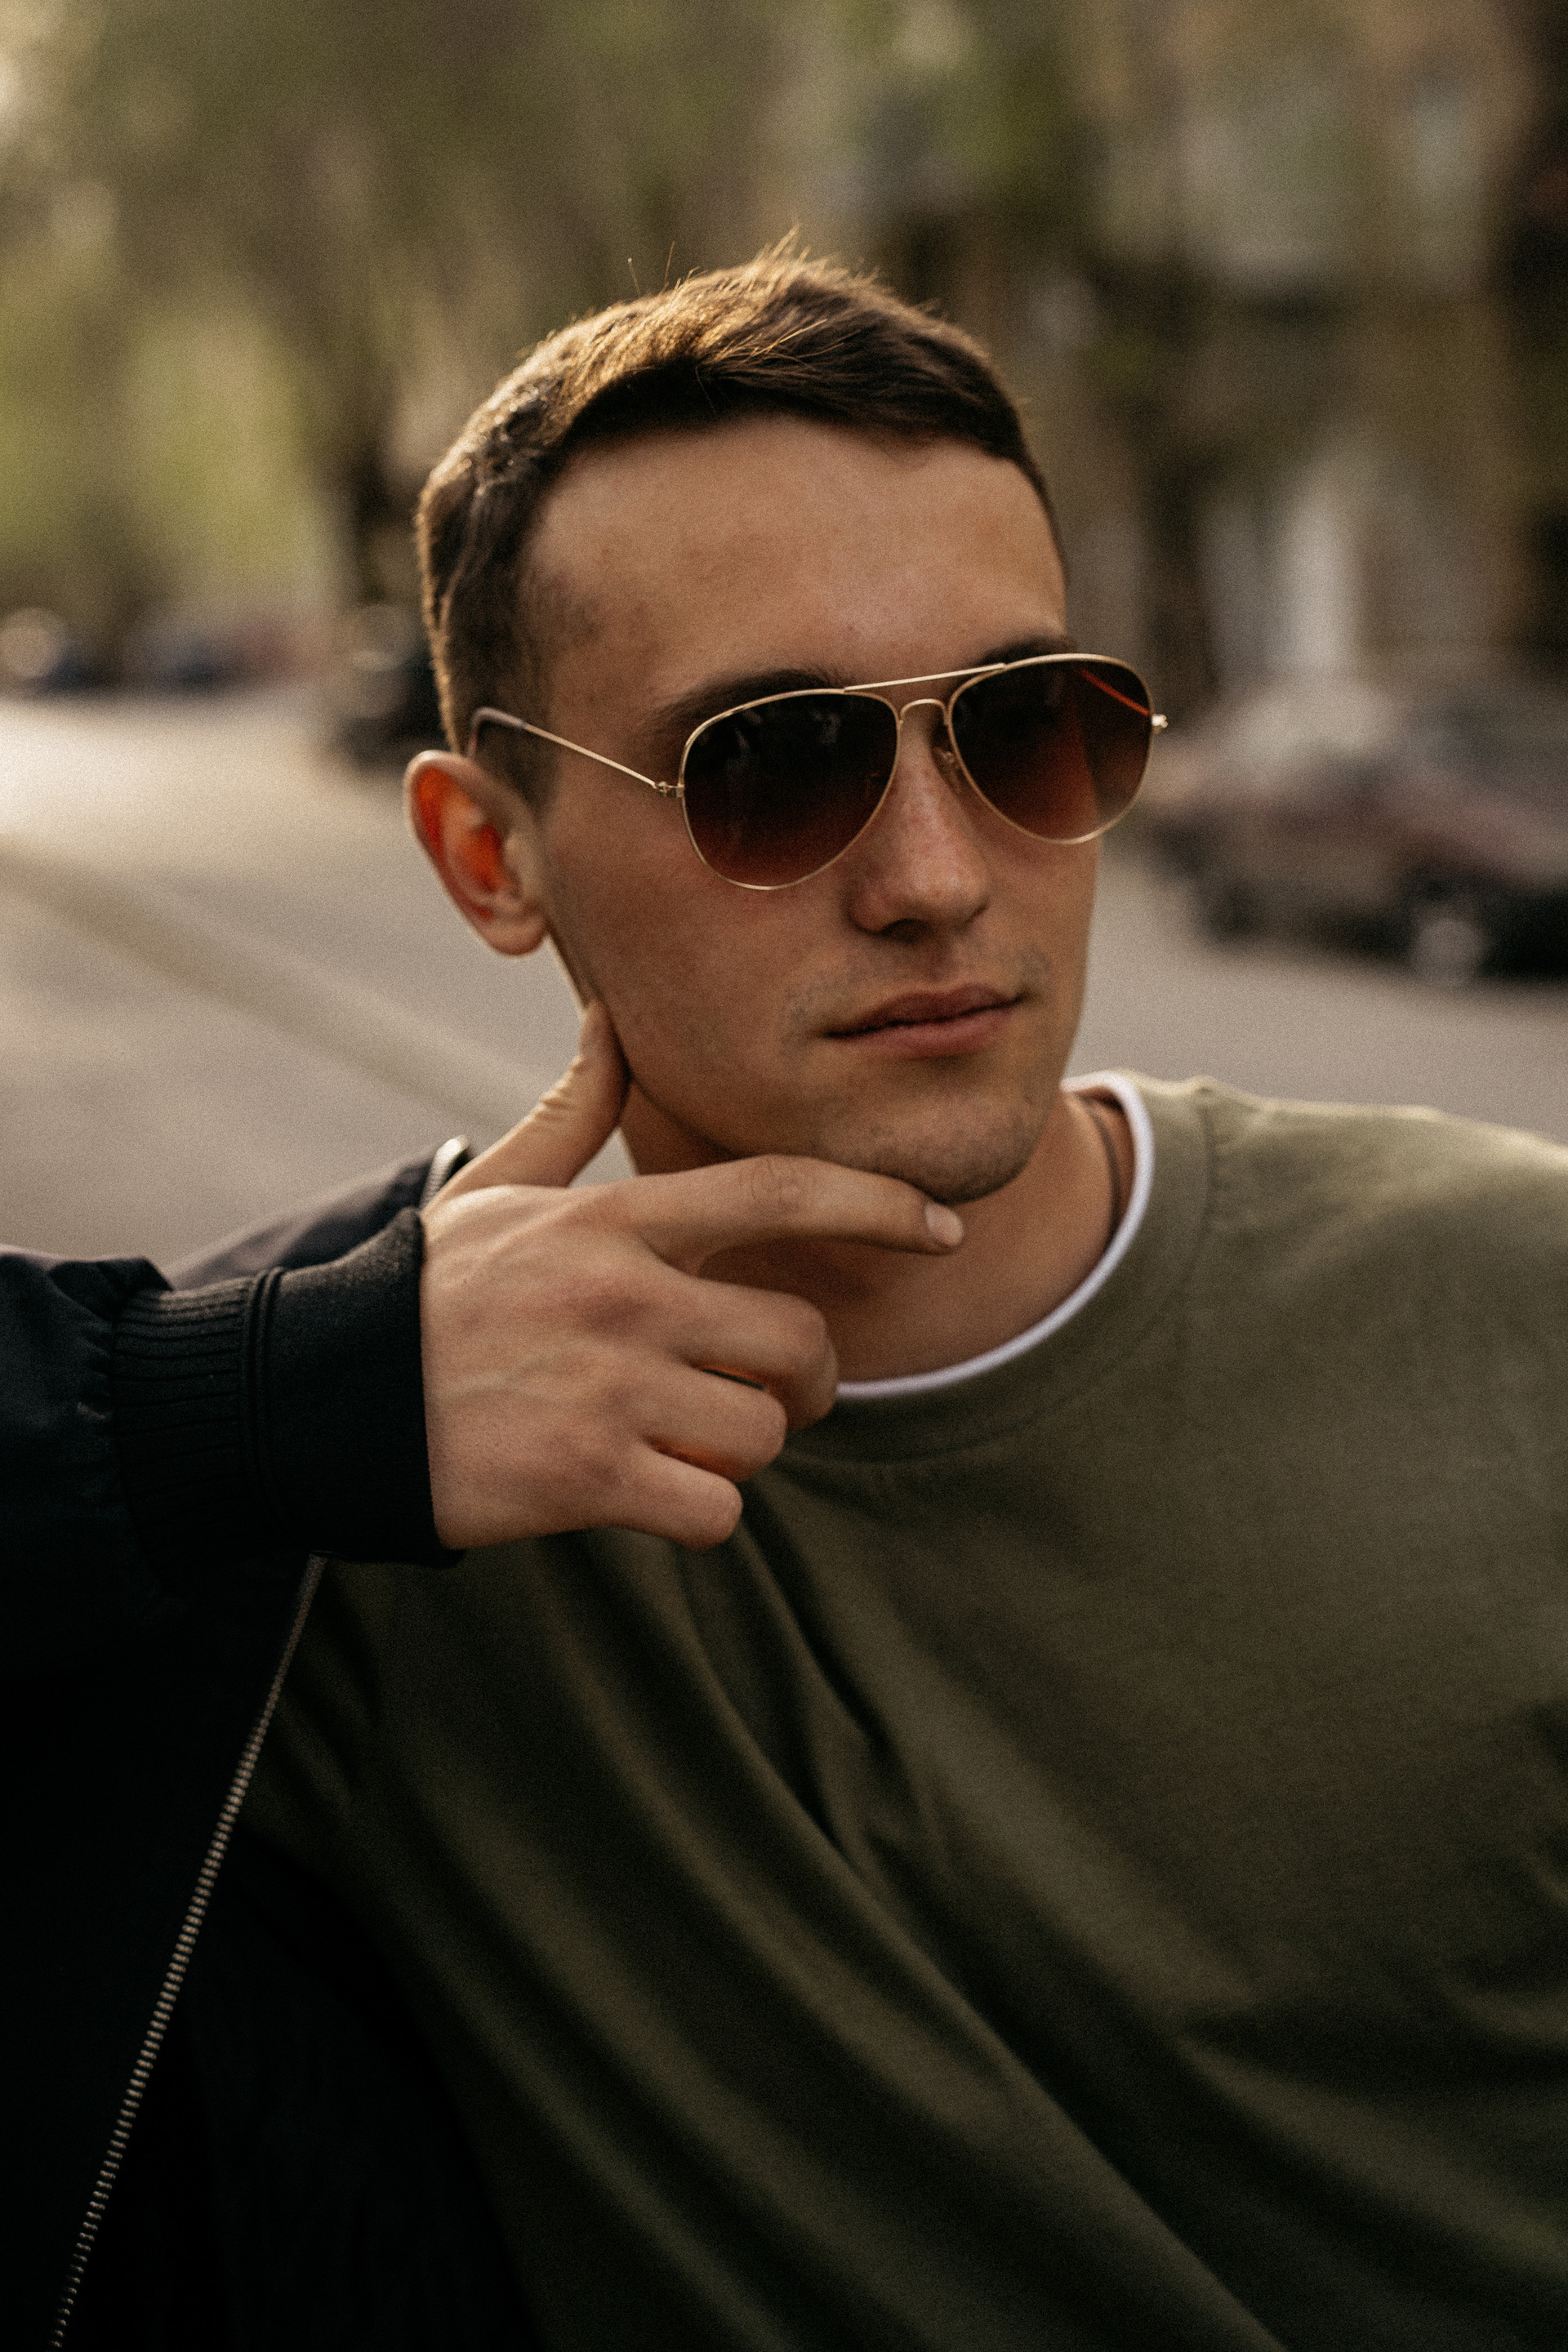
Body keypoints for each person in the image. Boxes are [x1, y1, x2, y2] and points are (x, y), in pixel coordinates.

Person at [27, 252, 1568, 2350]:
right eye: (775, 763)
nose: (939, 874)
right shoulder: (348, 1483)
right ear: (490, 859)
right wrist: (235, 1411)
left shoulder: (1510, 1311)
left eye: (1027, 728)